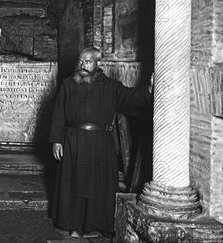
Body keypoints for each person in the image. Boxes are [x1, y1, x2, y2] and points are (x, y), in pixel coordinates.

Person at [48, 47, 152, 238]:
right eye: (81, 61)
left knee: (99, 185)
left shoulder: (111, 86)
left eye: (88, 62)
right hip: (73, 141)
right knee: (74, 185)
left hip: (101, 144)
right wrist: (56, 140)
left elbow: (132, 97)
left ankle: (96, 225)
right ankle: (73, 226)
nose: (83, 65)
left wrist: (149, 90)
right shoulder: (68, 85)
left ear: (97, 63)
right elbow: (58, 114)